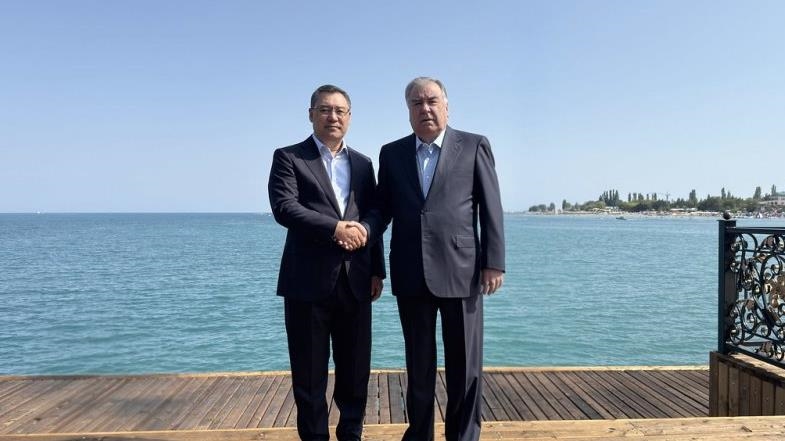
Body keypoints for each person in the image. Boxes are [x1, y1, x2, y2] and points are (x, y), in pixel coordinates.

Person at [371, 77, 505, 441]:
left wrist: (494, 261)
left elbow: (491, 207)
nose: (425, 109)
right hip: (410, 271)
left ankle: (463, 435)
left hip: (462, 271)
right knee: (418, 364)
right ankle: (420, 434)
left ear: (447, 105)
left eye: (432, 101)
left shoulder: (474, 145)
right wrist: (366, 242)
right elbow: (382, 210)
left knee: (465, 365)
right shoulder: (391, 153)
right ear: (408, 111)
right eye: (416, 103)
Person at [268, 84, 385, 441]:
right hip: (307, 283)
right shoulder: (289, 157)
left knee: (355, 372)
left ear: (349, 117)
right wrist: (335, 228)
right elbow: (285, 208)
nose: (332, 116)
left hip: (357, 281)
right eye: (324, 109)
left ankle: (351, 434)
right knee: (309, 376)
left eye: (339, 111)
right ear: (311, 114)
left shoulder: (363, 164)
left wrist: (377, 269)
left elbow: (374, 213)